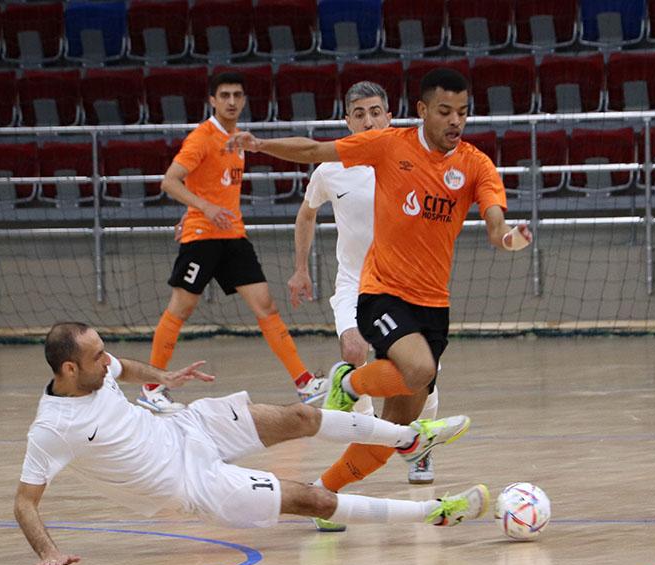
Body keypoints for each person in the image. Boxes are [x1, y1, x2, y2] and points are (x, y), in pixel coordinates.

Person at [227, 68, 532, 531]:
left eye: (463, 112)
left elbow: (495, 224)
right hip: (379, 290)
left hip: (432, 305)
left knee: (394, 430)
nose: (455, 121)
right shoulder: (388, 146)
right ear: (422, 111)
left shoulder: (476, 165)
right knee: (417, 369)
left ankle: (323, 494)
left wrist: (508, 239)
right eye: (445, 111)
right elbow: (313, 151)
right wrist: (260, 144)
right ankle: (349, 383)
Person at [14, 322, 489, 565]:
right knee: (313, 499)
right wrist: (48, 551)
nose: (108, 361)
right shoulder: (52, 428)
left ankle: (410, 439)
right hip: (191, 483)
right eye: (98, 356)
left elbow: (125, 368)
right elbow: (24, 503)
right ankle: (435, 513)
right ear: (69, 370)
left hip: (188, 426)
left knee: (301, 416)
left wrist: (163, 377)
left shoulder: (97, 371)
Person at [139, 71, 326, 415]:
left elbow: (209, 183)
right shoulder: (201, 138)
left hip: (234, 235)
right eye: (224, 95)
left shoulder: (238, 140)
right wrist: (203, 209)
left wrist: (200, 206)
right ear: (212, 100)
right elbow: (170, 181)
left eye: (237, 95)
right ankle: (152, 387)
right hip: (202, 237)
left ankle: (304, 383)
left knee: (266, 306)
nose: (231, 101)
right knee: (181, 309)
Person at [288, 81, 442, 487]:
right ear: (347, 122)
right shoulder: (330, 168)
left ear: (389, 116)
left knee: (420, 378)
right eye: (359, 114)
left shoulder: (414, 158)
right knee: (354, 350)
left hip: (407, 285)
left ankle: (420, 446)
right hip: (355, 282)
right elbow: (306, 214)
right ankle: (369, 432)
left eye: (375, 112)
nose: (368, 120)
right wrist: (301, 269)